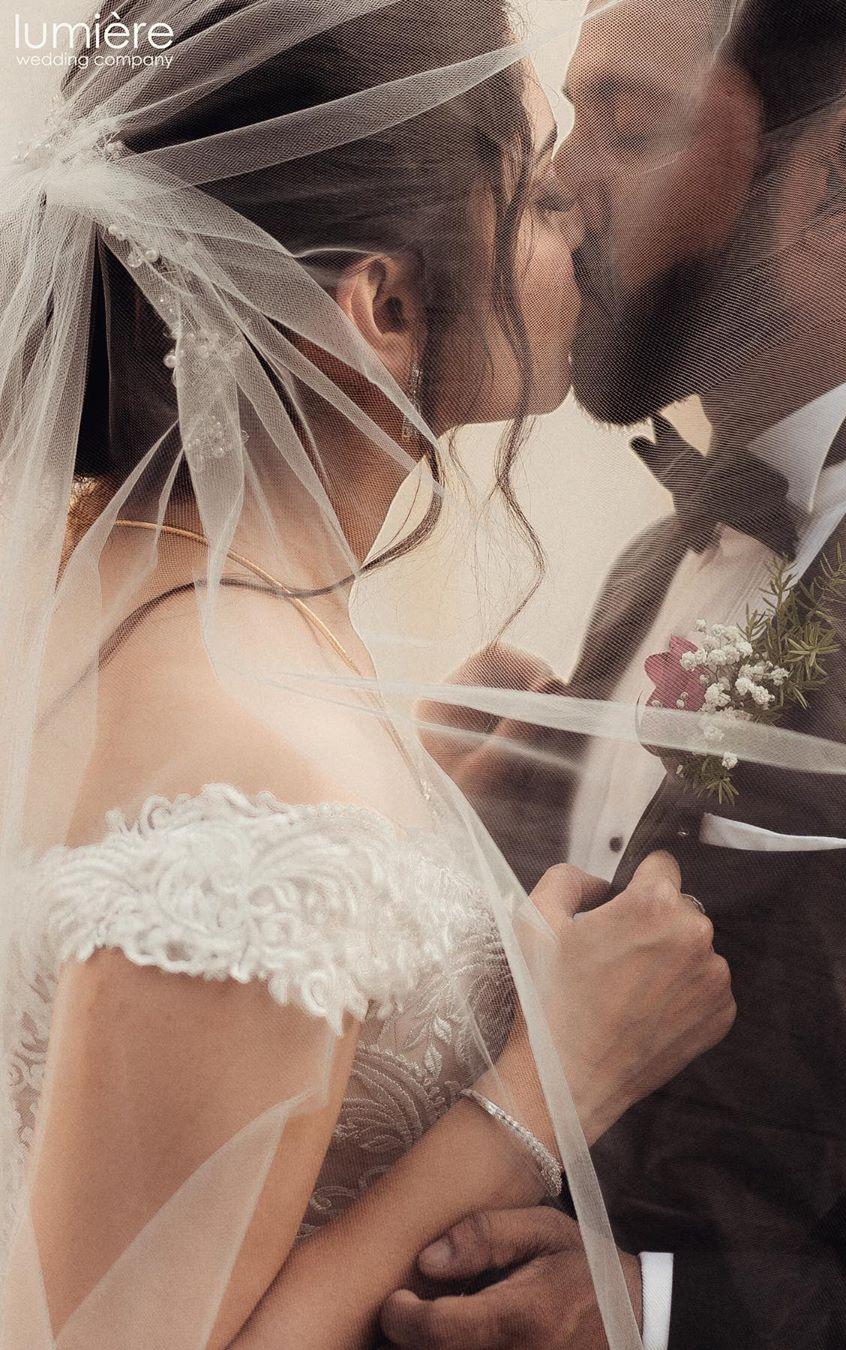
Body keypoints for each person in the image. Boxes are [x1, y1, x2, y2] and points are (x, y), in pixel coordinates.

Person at [0, 1, 737, 1345]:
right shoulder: (266, 774)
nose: (576, 206)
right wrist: (541, 1085)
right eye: (526, 191)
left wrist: (407, 789)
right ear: (385, 305)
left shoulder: (127, 579)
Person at [390, 1, 846, 1347]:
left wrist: (649, 1315)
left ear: (839, 182)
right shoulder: (656, 565)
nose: (556, 184)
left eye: (627, 127)